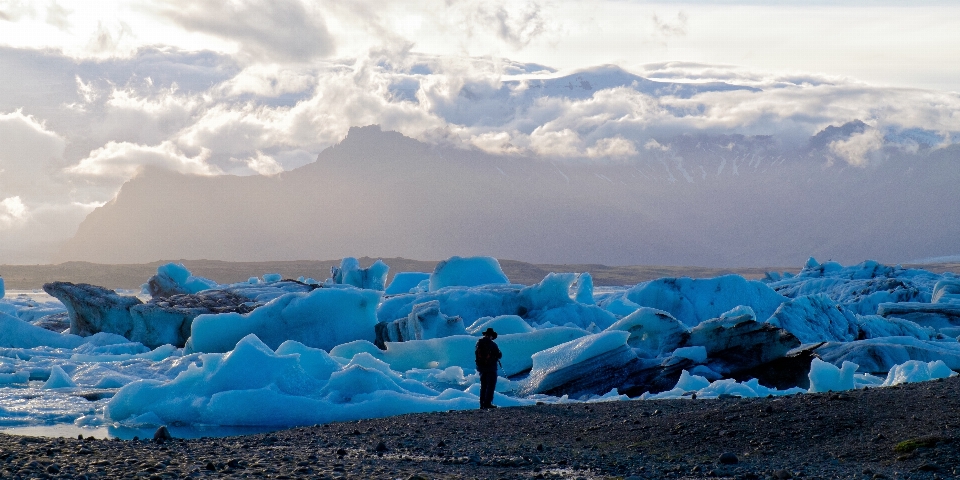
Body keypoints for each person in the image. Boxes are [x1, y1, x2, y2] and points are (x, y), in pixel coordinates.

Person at [475, 327, 502, 409]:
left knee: (483, 386)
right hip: (491, 368)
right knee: (490, 386)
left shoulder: (478, 343)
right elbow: (499, 355)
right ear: (491, 336)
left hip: (481, 369)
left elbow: (476, 355)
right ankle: (487, 403)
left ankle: (482, 403)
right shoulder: (493, 344)